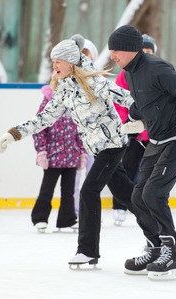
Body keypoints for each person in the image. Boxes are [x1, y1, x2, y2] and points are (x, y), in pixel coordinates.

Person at [0, 34, 135, 266]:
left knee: (89, 191)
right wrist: (13, 133)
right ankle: (160, 228)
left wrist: (141, 119)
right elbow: (44, 119)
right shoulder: (64, 89)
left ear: (71, 62)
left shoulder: (94, 82)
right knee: (126, 193)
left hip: (112, 144)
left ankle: (88, 251)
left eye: (58, 61)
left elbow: (127, 98)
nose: (54, 66)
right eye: (53, 62)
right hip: (98, 149)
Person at [108, 25, 176, 280]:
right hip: (157, 139)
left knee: (154, 193)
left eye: (115, 51)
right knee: (138, 197)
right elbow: (148, 103)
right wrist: (133, 116)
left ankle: (171, 252)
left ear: (130, 49)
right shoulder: (129, 73)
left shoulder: (156, 68)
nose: (112, 56)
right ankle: (154, 247)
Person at [111, 34, 156, 226]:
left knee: (152, 170)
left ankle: (150, 205)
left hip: (152, 133)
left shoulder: (157, 71)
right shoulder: (124, 74)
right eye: (142, 51)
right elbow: (118, 103)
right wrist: (126, 124)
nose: (145, 54)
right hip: (131, 132)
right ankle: (120, 207)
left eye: (149, 51)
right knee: (126, 168)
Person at [31, 78, 86, 233]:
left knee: (69, 191)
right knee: (47, 189)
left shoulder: (75, 102)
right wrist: (41, 151)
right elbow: (38, 128)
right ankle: (40, 218)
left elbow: (80, 129)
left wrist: (82, 151)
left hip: (71, 155)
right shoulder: (48, 103)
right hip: (53, 155)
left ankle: (67, 219)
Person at [73, 38, 98, 217]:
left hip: (92, 138)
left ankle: (90, 213)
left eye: (86, 54)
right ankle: (74, 211)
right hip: (72, 140)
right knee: (73, 180)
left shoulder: (96, 80)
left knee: (92, 179)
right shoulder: (67, 80)